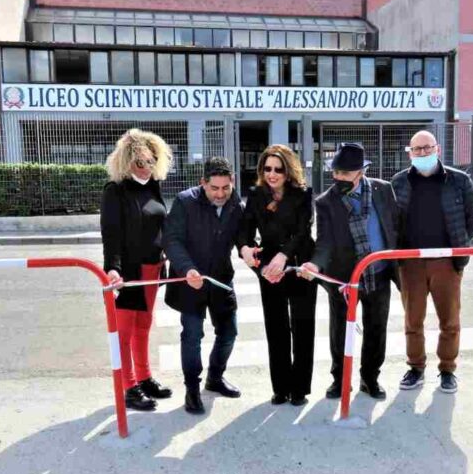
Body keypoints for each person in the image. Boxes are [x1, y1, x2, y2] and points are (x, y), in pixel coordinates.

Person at [300, 143, 399, 401]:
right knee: (339, 332)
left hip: (378, 274)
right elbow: (324, 242)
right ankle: (339, 380)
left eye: (345, 173)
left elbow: (394, 226)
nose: (339, 178)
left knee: (377, 329)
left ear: (361, 171)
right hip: (344, 280)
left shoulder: (383, 190)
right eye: (336, 173)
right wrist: (315, 264)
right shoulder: (326, 202)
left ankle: (370, 379)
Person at [392, 130, 473, 394]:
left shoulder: (459, 181)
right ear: (410, 153)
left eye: (427, 148)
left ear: (438, 149)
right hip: (410, 263)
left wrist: (457, 245)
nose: (422, 153)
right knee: (413, 321)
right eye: (417, 149)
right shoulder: (399, 182)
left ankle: (447, 370)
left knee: (450, 321)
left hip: (447, 263)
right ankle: (416, 367)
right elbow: (392, 221)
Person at [163, 156, 245, 414]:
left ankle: (215, 378)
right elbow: (172, 240)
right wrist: (188, 269)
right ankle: (192, 389)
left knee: (229, 332)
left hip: (221, 279)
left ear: (232, 182)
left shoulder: (235, 203)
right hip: (190, 281)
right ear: (203, 183)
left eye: (226, 187)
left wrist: (248, 249)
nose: (221, 194)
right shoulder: (185, 201)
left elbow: (242, 236)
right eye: (214, 188)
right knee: (192, 336)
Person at [100, 128, 174, 411]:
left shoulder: (153, 186)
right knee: (124, 332)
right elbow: (111, 234)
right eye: (140, 162)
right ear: (126, 161)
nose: (146, 168)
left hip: (153, 270)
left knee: (143, 327)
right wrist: (113, 269)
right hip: (129, 272)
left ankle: (144, 377)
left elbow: (160, 226)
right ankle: (128, 386)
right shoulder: (115, 191)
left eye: (151, 161)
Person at [238, 145, 317, 406]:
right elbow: (245, 233)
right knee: (276, 327)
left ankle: (300, 389)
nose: (272, 174)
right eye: (267, 168)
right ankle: (281, 388)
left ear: (289, 170)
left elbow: (303, 231)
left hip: (299, 264)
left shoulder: (303, 194)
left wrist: (284, 256)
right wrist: (248, 252)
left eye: (278, 169)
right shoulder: (256, 194)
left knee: (303, 326)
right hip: (270, 270)